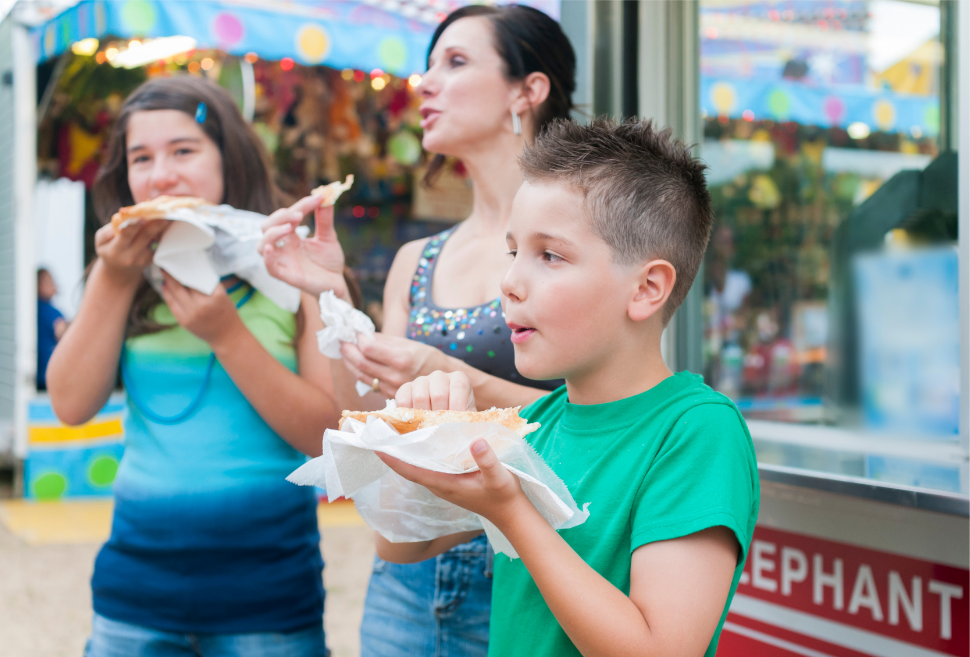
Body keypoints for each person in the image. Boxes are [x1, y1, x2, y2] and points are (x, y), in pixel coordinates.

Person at [376, 118, 760, 657]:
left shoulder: (696, 431)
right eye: (513, 252)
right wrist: (425, 434)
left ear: (647, 288)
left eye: (550, 255)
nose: (508, 282)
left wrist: (511, 512)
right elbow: (399, 541)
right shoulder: (539, 422)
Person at [259, 6, 576, 656]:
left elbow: (608, 419)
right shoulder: (417, 260)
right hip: (403, 572)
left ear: (529, 89)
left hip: (530, 569)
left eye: (454, 63)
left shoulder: (576, 242)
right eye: (427, 65)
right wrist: (332, 293)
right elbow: (372, 414)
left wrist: (459, 379)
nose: (424, 83)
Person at [46, 77, 338, 657]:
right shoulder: (120, 275)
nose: (161, 176)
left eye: (184, 151)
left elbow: (328, 437)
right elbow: (70, 406)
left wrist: (227, 335)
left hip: (269, 593)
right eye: (141, 158)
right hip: (135, 591)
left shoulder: (294, 270)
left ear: (227, 158)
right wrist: (114, 275)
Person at [36, 268, 67, 390]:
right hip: (49, 375)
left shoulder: (30, 308)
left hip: (38, 375)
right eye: (48, 281)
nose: (53, 284)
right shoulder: (51, 313)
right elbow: (66, 336)